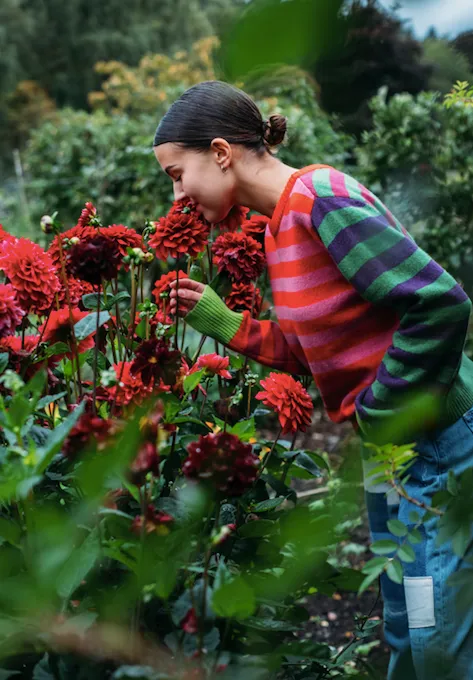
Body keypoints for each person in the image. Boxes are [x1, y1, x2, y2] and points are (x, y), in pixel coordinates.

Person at [153, 80, 473, 679]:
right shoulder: (280, 226)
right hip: (391, 448)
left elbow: (440, 303)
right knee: (405, 623)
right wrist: (221, 321)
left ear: (221, 152)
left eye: (177, 173)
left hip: (435, 438)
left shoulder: (319, 199)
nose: (177, 194)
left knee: (437, 634)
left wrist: (381, 406)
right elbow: (315, 349)